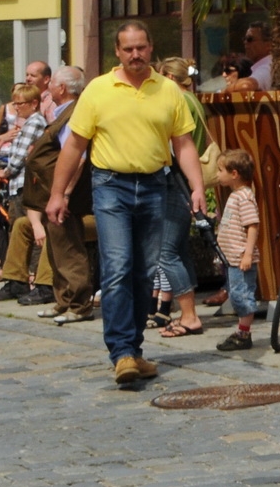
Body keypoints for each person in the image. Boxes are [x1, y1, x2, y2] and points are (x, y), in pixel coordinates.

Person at [45, 21, 206, 387]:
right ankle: (121, 353)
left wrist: (196, 187)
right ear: (117, 52)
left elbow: (183, 144)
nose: (135, 55)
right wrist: (57, 193)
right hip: (110, 186)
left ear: (151, 48)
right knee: (118, 267)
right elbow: (74, 146)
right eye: (128, 49)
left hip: (155, 186)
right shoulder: (99, 89)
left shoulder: (168, 90)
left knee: (144, 272)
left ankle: (133, 349)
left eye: (141, 48)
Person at [19, 67, 92, 322]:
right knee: (56, 251)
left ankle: (79, 305)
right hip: (50, 195)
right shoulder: (63, 113)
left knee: (69, 250)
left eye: (53, 84)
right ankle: (64, 301)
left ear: (61, 88)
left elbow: (78, 158)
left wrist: (65, 194)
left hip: (62, 198)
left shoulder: (73, 115)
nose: (48, 88)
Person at [151, 58, 208, 339]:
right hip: (184, 182)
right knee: (179, 250)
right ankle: (188, 311)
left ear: (170, 78)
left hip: (177, 181)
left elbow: (179, 145)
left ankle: (189, 315)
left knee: (166, 252)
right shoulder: (193, 99)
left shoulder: (180, 100)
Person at [0, 83, 52, 305]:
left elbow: (21, 155)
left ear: (34, 103)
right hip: (19, 184)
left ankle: (32, 279)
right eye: (14, 103)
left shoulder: (34, 122)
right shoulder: (27, 123)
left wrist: (4, 172)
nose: (16, 108)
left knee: (29, 231)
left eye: (20, 103)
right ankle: (17, 279)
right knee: (18, 230)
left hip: (25, 185)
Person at [214, 150, 262, 351]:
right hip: (232, 259)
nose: (217, 174)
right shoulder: (236, 195)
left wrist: (248, 254)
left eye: (220, 170)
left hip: (240, 258)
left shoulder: (244, 197)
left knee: (241, 296)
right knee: (236, 294)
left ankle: (244, 334)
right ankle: (242, 331)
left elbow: (252, 225)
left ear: (234, 173)